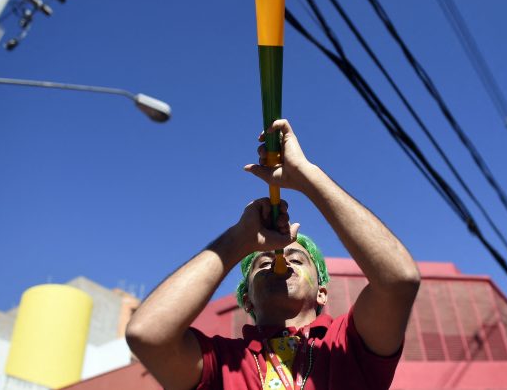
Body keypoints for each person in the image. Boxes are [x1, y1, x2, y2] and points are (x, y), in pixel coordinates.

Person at [126, 119, 420, 390]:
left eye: (298, 258)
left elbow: (399, 281)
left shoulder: (347, 343)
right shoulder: (222, 361)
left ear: (322, 293)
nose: (281, 258)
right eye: (262, 261)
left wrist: (307, 177)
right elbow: (147, 335)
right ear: (246, 299)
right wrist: (240, 239)